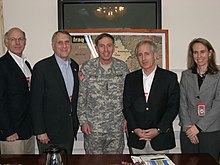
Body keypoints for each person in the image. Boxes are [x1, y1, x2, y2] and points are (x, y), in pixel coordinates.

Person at [123, 40, 180, 154]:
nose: (143, 58)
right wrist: (135, 129)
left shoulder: (169, 78)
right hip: (137, 139)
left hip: (161, 138)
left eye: (147, 54)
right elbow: (127, 106)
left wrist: (158, 130)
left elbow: (173, 107)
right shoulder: (130, 78)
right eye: (140, 54)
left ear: (155, 55)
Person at [77, 33, 129, 154]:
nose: (106, 50)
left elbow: (128, 97)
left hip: (116, 128)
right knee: (94, 162)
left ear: (114, 47)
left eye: (109, 45)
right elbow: (81, 97)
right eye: (102, 46)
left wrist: (127, 119)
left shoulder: (122, 68)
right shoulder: (87, 67)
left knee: (114, 162)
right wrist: (83, 121)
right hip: (93, 128)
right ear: (96, 48)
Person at [30, 30, 79, 154]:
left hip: (68, 130)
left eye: (67, 42)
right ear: (53, 45)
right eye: (60, 42)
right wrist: (40, 131)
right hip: (49, 133)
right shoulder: (42, 68)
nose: (64, 46)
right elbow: (35, 102)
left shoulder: (74, 66)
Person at [179, 38, 220, 161]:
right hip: (188, 130)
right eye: (195, 52)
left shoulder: (218, 76)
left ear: (210, 53)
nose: (199, 56)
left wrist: (198, 127)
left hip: (210, 131)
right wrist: (188, 128)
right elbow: (182, 102)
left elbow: (218, 105)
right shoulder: (186, 75)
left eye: (202, 52)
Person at [0, 27, 35, 154]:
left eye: (20, 39)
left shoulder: (26, 65)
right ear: (6, 42)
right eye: (13, 39)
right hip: (12, 134)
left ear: (25, 42)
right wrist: (8, 131)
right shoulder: (2, 65)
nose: (17, 43)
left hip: (28, 132)